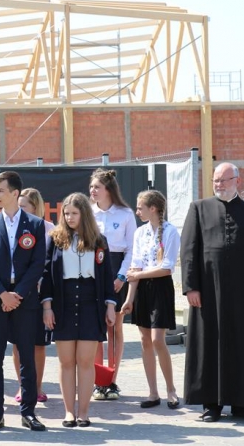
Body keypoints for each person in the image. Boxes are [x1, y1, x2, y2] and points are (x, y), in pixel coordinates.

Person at [180, 163, 244, 422]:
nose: (219, 185)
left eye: (224, 180)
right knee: (209, 344)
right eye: (216, 180)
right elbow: (188, 250)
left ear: (237, 181)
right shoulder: (199, 208)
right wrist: (191, 287)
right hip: (208, 291)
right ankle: (211, 405)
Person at [0, 171, 47, 433]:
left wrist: (17, 294)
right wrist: (2, 294)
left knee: (27, 356)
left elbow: (38, 264)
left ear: (15, 193)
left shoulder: (35, 224)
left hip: (24, 299)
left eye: (0, 191)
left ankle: (28, 412)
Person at [41, 193, 116, 428]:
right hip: (63, 302)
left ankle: (83, 412)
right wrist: (47, 307)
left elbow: (107, 276)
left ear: (84, 214)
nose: (70, 217)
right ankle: (68, 412)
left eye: (74, 213)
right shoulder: (55, 239)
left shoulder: (99, 240)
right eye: (66, 213)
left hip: (90, 303)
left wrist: (110, 306)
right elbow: (46, 275)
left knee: (85, 361)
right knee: (66, 361)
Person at [121, 190, 181, 410]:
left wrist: (138, 275)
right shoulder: (140, 233)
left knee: (157, 340)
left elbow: (166, 268)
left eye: (140, 208)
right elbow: (135, 267)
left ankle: (171, 390)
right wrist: (129, 298)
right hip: (142, 288)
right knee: (145, 340)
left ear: (153, 208)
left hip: (160, 288)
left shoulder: (171, 231)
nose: (137, 211)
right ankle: (153, 392)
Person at [89, 168, 137, 401]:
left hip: (117, 271)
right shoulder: (88, 213)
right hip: (93, 272)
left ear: (108, 189)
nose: (92, 190)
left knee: (114, 327)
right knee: (97, 329)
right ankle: (99, 381)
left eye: (97, 187)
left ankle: (112, 381)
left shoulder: (125, 214)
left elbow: (132, 249)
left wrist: (121, 277)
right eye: (91, 187)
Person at [12, 187, 56, 404]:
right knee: (18, 343)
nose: (19, 209)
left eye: (23, 206)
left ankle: (37, 387)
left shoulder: (50, 230)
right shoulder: (13, 227)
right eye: (18, 206)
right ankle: (23, 386)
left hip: (40, 295)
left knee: (38, 344)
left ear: (35, 207)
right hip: (18, 293)